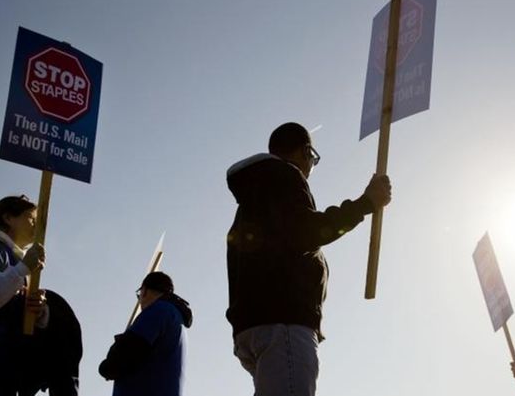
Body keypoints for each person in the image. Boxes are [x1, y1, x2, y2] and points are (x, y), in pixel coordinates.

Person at [226, 122, 391, 396]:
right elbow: (306, 232)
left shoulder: (256, 196)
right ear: (305, 152)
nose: (311, 167)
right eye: (313, 158)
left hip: (258, 326)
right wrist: (366, 204)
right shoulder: (284, 177)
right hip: (283, 323)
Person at [0, 195, 82, 396]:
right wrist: (22, 269)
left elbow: (10, 312)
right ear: (8, 218)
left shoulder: (12, 260)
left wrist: (37, 312)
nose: (36, 225)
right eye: (31, 218)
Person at [99, 271, 193, 396]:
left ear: (144, 291)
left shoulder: (158, 310)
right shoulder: (176, 321)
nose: (140, 303)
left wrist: (107, 366)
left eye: (139, 296)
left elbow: (127, 352)